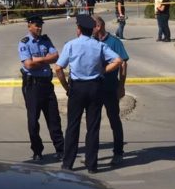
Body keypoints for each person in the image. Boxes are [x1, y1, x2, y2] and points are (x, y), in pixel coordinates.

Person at [54, 14, 122, 173]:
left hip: (77, 88)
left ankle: (68, 164)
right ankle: (92, 165)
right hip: (95, 87)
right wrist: (103, 71)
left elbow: (58, 68)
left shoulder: (71, 45)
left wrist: (66, 87)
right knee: (93, 127)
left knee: (73, 126)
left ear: (79, 29)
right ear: (91, 30)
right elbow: (118, 61)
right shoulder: (99, 45)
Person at [18, 15, 64, 162]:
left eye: (40, 25)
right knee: (33, 121)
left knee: (54, 119)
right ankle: (37, 151)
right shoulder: (24, 42)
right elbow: (28, 64)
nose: (39, 28)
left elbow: (56, 56)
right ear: (29, 26)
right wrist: (46, 60)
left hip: (46, 84)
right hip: (32, 85)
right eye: (36, 25)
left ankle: (61, 149)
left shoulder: (46, 40)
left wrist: (38, 60)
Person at [92, 17, 128, 165]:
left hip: (110, 87)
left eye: (92, 26)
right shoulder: (91, 41)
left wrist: (121, 85)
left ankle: (118, 152)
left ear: (99, 26)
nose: (90, 29)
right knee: (93, 122)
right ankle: (92, 154)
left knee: (114, 119)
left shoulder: (114, 42)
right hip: (94, 87)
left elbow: (123, 64)